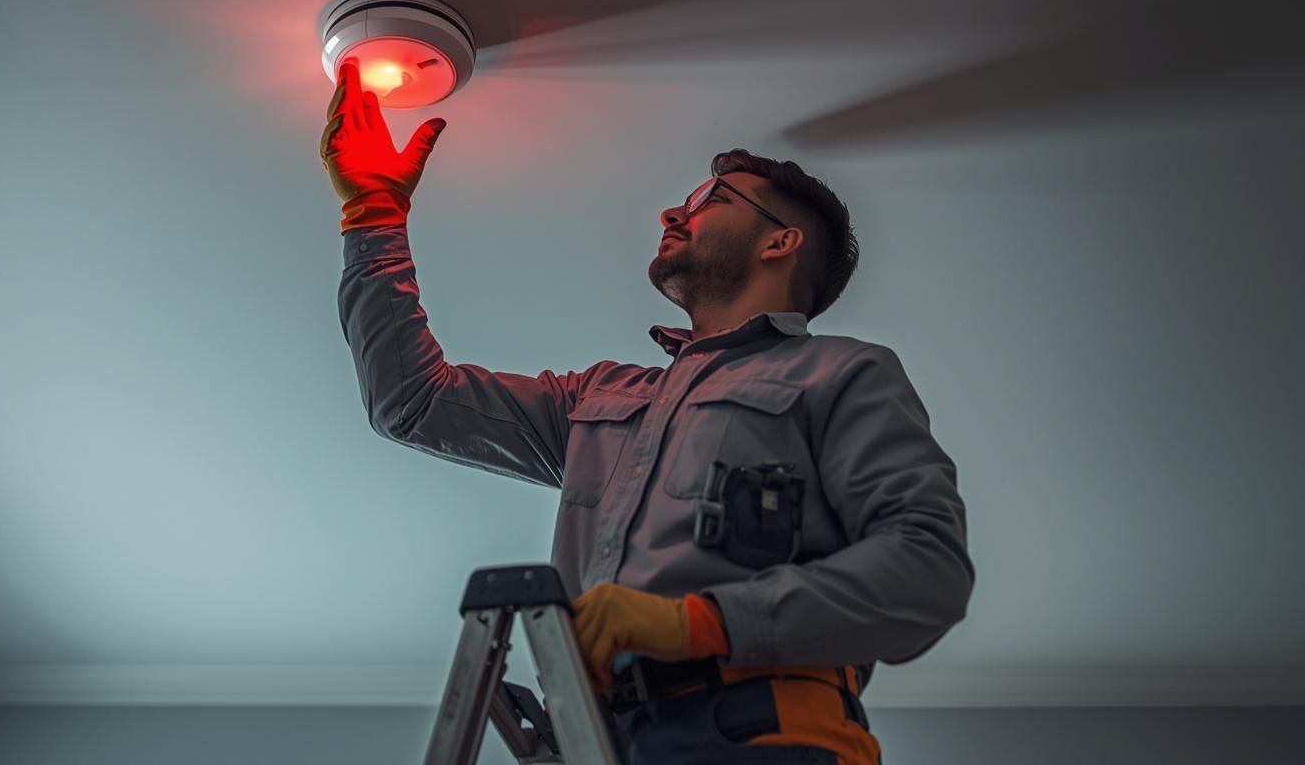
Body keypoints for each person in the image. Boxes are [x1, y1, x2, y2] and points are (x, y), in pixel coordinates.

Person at [323, 61, 974, 764]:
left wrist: (697, 623)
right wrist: (374, 216)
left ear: (780, 242)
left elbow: (928, 569)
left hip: (768, 739)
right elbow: (414, 402)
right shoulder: (601, 399)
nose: (674, 214)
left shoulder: (840, 372)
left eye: (714, 200)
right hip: (597, 743)